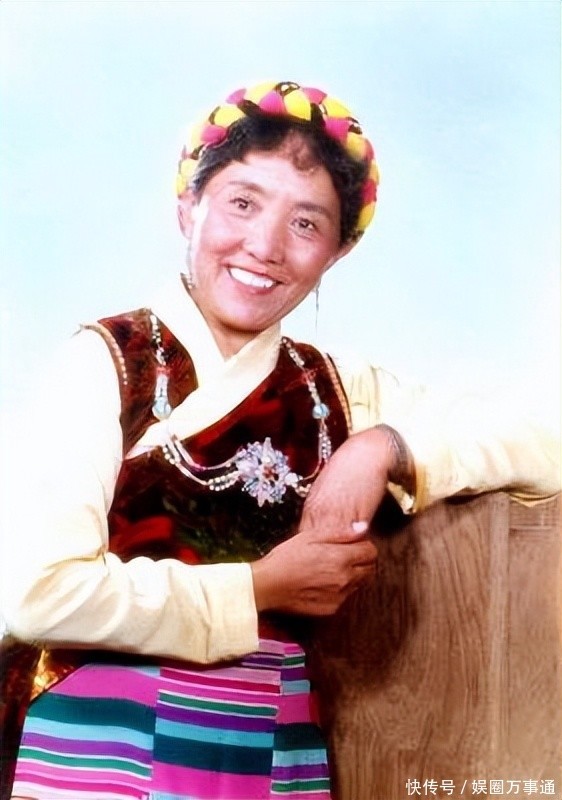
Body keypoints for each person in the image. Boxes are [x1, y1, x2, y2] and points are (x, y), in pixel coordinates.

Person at [0, 80, 558, 800]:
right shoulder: (107, 364)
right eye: (242, 203)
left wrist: (383, 446)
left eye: (306, 223)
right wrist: (259, 587)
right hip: (98, 744)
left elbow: (546, 438)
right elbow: (39, 595)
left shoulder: (338, 390)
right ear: (187, 207)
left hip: (271, 747)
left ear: (339, 251)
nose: (264, 246)